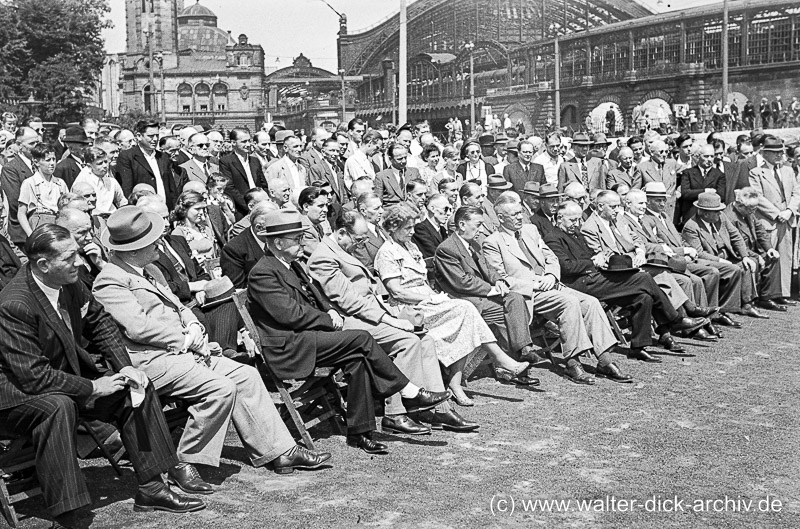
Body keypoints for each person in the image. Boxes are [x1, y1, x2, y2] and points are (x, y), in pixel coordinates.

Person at [92, 207, 330, 489]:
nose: (159, 244)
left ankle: (280, 451)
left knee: (246, 376)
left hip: (183, 352)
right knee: (221, 388)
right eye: (153, 240)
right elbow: (138, 327)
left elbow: (181, 307)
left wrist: (194, 327)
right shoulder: (110, 281)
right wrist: (183, 339)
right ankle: (183, 461)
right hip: (150, 360)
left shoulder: (149, 270)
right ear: (133, 250)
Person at [0, 225, 207, 527]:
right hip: (16, 396)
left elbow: (100, 322)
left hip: (60, 379)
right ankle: (68, 514)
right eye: (69, 258)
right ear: (43, 265)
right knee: (57, 406)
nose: (79, 263)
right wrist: (93, 386)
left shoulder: (67, 281)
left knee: (136, 386)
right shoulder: (14, 304)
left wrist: (125, 367)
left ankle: (153, 486)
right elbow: (33, 378)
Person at [248, 208, 449, 454]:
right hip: (290, 347)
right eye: (297, 239)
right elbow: (290, 315)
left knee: (357, 358)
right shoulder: (263, 272)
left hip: (308, 337)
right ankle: (407, 391)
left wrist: (328, 312)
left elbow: (315, 298)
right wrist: (328, 318)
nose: (303, 243)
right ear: (278, 243)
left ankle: (360, 433)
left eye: (302, 237)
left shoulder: (291, 265)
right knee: (361, 338)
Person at [308, 211, 478, 433]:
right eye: (358, 239)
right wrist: (391, 320)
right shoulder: (324, 256)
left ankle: (439, 410)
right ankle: (396, 413)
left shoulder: (339, 249)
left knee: (425, 339)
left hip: (371, 313)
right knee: (407, 341)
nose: (361, 244)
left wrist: (390, 315)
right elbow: (349, 302)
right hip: (353, 321)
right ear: (341, 233)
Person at [375, 204, 532, 406]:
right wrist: (431, 299)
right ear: (393, 227)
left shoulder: (411, 247)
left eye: (413, 227)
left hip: (428, 303)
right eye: (407, 228)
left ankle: (461, 382)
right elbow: (396, 291)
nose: (413, 232)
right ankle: (498, 361)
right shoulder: (386, 252)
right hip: (408, 309)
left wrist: (435, 297)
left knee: (466, 316)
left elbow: (424, 283)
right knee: (466, 310)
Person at [481, 196, 620, 382]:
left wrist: (551, 276)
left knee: (591, 302)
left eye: (520, 212)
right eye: (513, 214)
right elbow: (501, 279)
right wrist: (534, 284)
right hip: (529, 293)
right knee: (569, 302)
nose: (519, 217)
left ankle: (604, 360)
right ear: (500, 217)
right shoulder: (493, 242)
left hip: (551, 283)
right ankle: (573, 363)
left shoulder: (530, 230)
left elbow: (551, 258)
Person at [435, 206, 541, 369]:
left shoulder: (473, 244)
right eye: (477, 225)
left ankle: (522, 350)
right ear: (462, 225)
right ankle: (513, 362)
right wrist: (491, 289)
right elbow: (462, 282)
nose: (480, 229)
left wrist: (498, 280)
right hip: (463, 298)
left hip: (481, 294)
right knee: (506, 315)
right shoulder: (447, 249)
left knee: (516, 298)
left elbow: (489, 268)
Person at [724, 187, 784, 312]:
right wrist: (757, 256)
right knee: (754, 262)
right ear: (740, 205)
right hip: (738, 253)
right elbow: (736, 245)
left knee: (773, 257)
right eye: (752, 208)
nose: (754, 211)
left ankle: (768, 297)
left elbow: (760, 230)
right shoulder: (730, 217)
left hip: (752, 249)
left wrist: (769, 249)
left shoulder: (748, 211)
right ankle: (749, 301)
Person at [115, 121, 180, 209]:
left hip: (165, 210)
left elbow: (171, 188)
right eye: (150, 136)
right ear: (139, 136)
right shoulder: (128, 157)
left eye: (157, 135)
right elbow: (127, 189)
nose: (155, 139)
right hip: (143, 211)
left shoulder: (163, 157)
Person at [18, 143, 68, 236]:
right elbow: (21, 213)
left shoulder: (60, 184)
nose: (52, 163)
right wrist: (31, 234)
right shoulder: (29, 183)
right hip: (39, 225)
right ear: (36, 162)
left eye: (54, 159)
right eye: (48, 160)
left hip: (58, 225)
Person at [1, 127, 38, 248]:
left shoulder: (41, 164)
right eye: (32, 143)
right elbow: (15, 202)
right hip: (23, 233)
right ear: (18, 145)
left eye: (38, 142)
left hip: (42, 228)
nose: (36, 146)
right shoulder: (11, 169)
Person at [219, 128, 267, 217]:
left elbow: (263, 184)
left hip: (261, 208)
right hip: (241, 211)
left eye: (249, 141)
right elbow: (229, 187)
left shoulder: (255, 161)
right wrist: (248, 206)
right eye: (244, 142)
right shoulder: (226, 162)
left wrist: (263, 203)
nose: (248, 144)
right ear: (233, 143)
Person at [72, 147, 128, 222]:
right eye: (99, 163)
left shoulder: (111, 181)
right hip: (94, 220)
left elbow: (121, 201)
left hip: (114, 219)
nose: (105, 166)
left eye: (105, 161)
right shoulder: (82, 182)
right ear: (89, 166)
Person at [171, 191, 219, 265]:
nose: (201, 212)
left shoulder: (206, 229)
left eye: (203, 209)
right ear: (184, 209)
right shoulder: (178, 233)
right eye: (197, 209)